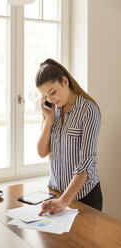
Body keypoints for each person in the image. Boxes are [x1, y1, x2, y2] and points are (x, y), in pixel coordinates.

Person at [35, 58, 103, 216]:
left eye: (53, 92)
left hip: (84, 197)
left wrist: (64, 201)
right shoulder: (54, 109)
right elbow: (42, 152)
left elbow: (86, 162)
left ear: (65, 81)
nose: (51, 99)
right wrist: (49, 119)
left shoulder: (88, 110)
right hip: (56, 193)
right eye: (46, 96)